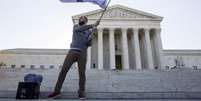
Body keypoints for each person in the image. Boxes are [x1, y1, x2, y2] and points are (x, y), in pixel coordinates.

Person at [48, 16, 100, 99]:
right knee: (63, 71)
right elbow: (78, 30)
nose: (81, 19)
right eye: (80, 18)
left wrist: (92, 34)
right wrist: (92, 25)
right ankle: (56, 91)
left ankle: (81, 93)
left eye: (83, 18)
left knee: (82, 74)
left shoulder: (88, 32)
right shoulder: (76, 27)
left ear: (86, 21)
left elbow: (88, 43)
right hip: (73, 51)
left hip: (82, 53)